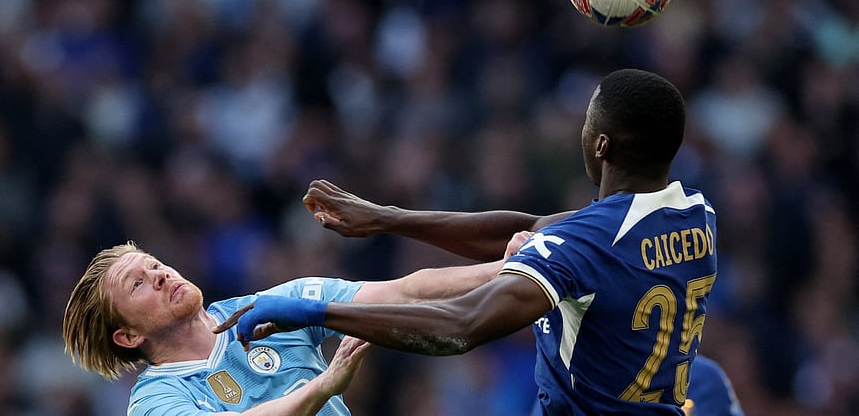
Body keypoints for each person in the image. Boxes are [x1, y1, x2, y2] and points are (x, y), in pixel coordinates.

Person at [218, 69, 720, 415]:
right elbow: (534, 226)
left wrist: (317, 313)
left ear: (601, 144)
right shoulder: (696, 216)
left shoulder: (587, 243)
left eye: (587, 122)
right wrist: (388, 218)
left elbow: (462, 325)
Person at [62, 240, 513, 415]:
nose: (160, 275)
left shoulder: (269, 309)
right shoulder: (154, 402)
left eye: (155, 264)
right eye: (138, 283)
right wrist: (324, 386)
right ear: (128, 337)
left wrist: (510, 266)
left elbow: (405, 292)